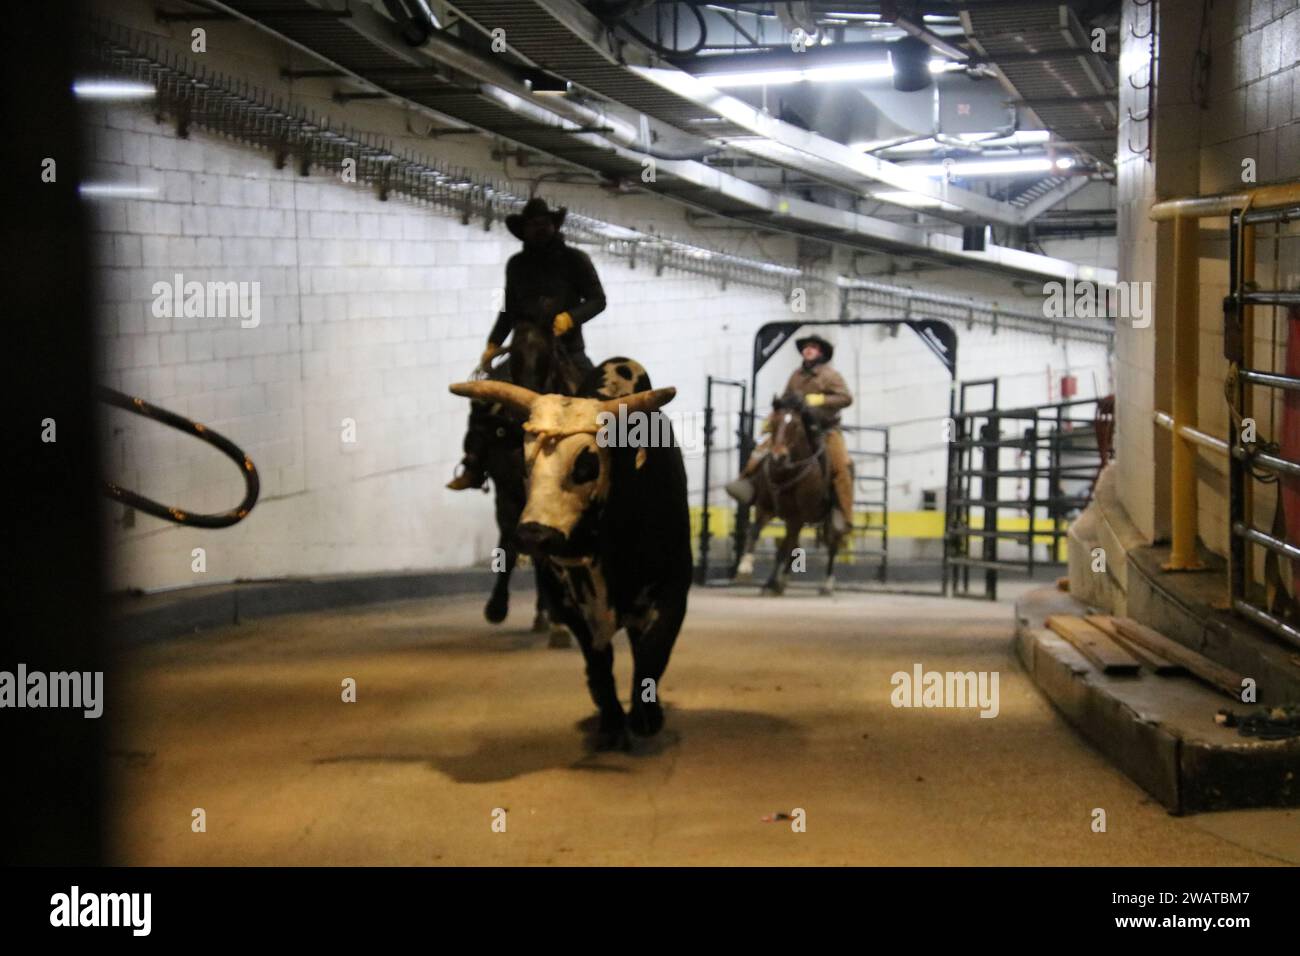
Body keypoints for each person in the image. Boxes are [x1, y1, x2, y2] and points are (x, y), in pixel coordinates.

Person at [447, 197, 607, 490]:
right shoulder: (517, 265)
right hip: (523, 349)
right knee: (483, 398)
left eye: (543, 224)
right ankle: (473, 465)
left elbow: (598, 300)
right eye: (533, 225)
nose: (539, 230)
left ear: (553, 225)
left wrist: (571, 318)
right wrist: (494, 342)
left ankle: (613, 467)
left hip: (568, 350)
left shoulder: (575, 260)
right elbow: (509, 308)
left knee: (600, 399)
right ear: (525, 230)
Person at [725, 333, 855, 534]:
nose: (808, 350)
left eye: (813, 347)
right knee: (762, 450)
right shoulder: (796, 375)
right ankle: (746, 482)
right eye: (806, 347)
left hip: (825, 430)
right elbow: (784, 400)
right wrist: (771, 420)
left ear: (821, 353)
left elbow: (846, 398)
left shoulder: (831, 376)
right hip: (796, 429)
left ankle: (843, 515)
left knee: (841, 466)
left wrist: (818, 400)